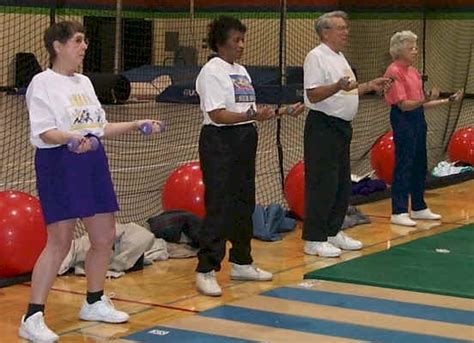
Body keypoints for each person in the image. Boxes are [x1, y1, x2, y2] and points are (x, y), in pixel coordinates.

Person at [19, 21, 163, 342]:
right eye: (78, 41)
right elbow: (45, 131)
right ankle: (32, 316)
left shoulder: (84, 82)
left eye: (84, 41)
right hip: (59, 162)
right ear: (58, 46)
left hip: (93, 163)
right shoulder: (42, 83)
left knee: (104, 236)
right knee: (60, 242)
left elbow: (100, 127)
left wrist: (137, 123)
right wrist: (70, 140)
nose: (84, 47)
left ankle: (94, 300)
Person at [195, 16, 304, 296]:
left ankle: (242, 261)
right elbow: (218, 114)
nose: (242, 45)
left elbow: (250, 112)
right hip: (220, 141)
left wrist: (282, 111)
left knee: (244, 202)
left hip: (245, 138)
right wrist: (250, 115)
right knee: (219, 204)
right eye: (236, 40)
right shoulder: (212, 71)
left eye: (243, 40)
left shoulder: (241, 71)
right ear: (221, 43)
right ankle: (206, 269)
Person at [303, 11, 391, 257]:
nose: (346, 32)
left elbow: (347, 90)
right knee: (322, 183)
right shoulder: (316, 57)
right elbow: (313, 95)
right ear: (325, 32)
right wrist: (337, 86)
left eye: (346, 27)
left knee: (341, 184)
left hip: (342, 127)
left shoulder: (339, 57)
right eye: (340, 28)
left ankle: (332, 231)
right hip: (323, 127)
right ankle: (314, 238)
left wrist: (368, 86)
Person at [383, 31, 463, 227]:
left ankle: (419, 206)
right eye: (411, 48)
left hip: (418, 118)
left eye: (415, 47)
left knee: (420, 162)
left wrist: (446, 100)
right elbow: (403, 104)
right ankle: (399, 210)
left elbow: (420, 104)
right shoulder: (394, 71)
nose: (415, 51)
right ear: (399, 50)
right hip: (403, 119)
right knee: (404, 162)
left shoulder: (414, 72)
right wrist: (424, 99)